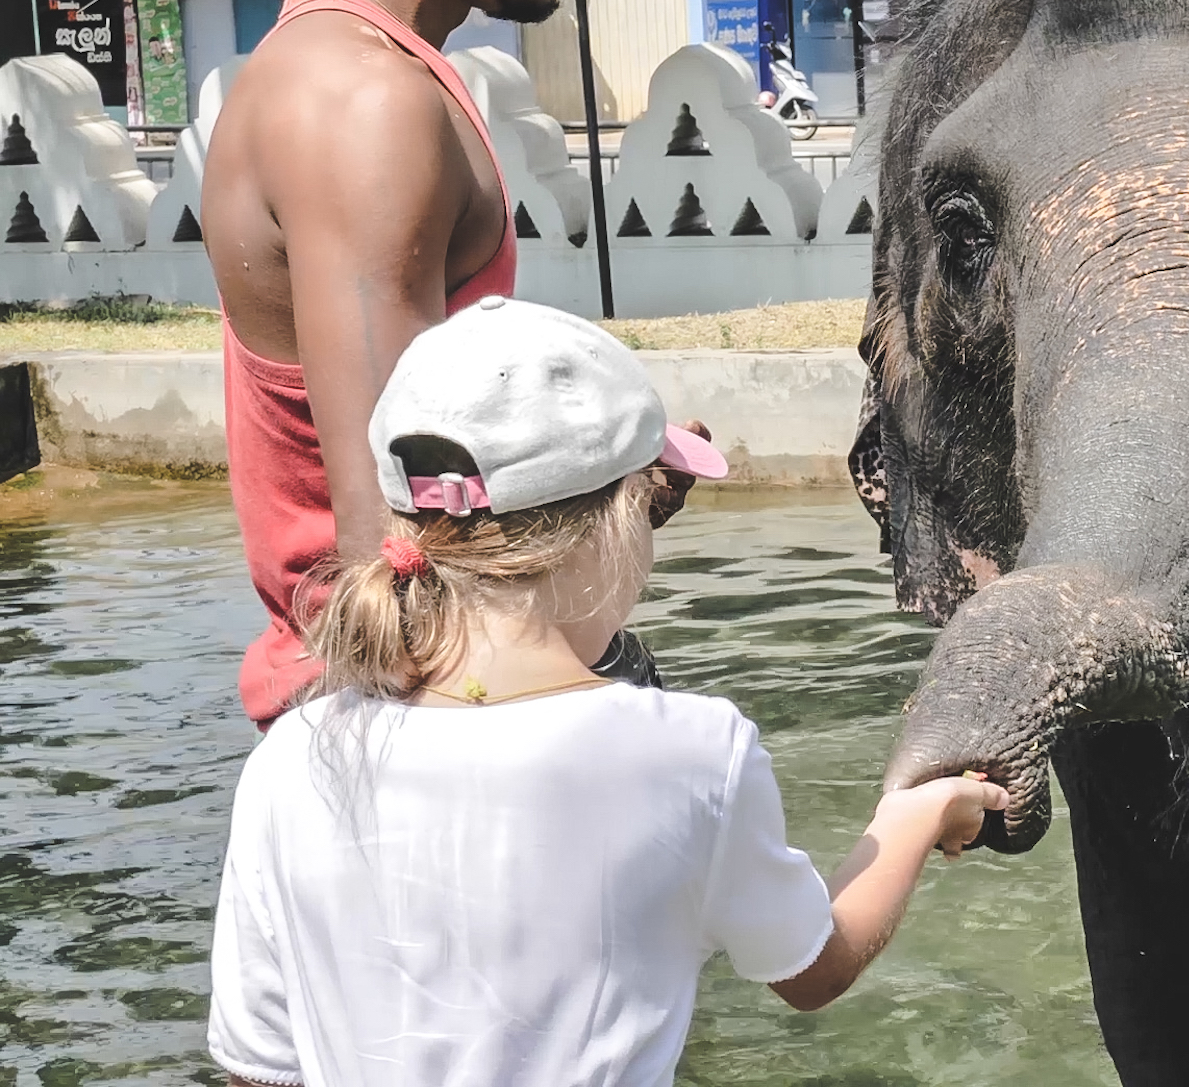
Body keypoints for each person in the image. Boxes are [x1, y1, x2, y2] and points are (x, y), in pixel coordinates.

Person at [206, 299, 1007, 1086]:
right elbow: (812, 966)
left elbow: (260, 1068)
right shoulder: (693, 753)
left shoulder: (294, 756)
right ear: (623, 518)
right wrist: (913, 817)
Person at [202, 0, 696, 724]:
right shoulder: (363, 103)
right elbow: (399, 533)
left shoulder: (356, 70)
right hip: (411, 706)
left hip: (408, 692)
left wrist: (595, 485)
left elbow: (445, 483)